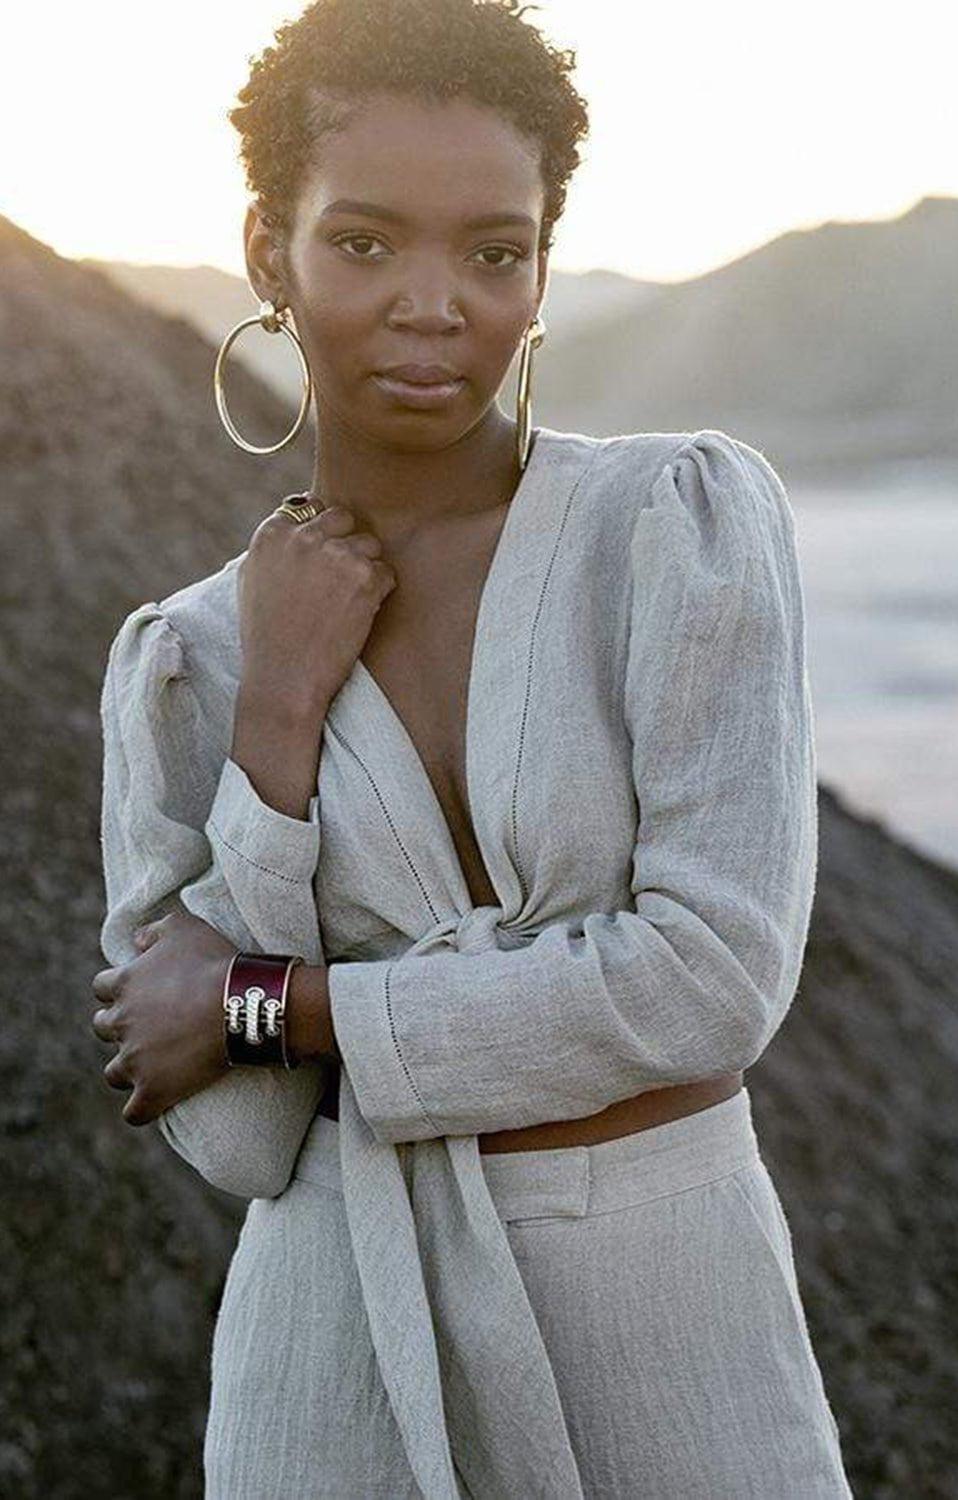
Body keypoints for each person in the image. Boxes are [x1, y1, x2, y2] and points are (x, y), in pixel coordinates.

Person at [91, 0, 854, 1494]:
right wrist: (276, 720)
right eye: (364, 243)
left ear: (542, 270)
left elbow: (711, 981)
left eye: (494, 253)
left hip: (674, 1329)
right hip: (336, 1362)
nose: (434, 304)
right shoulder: (190, 659)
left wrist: (279, 1006)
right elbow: (239, 1143)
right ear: (268, 254)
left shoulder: (673, 527)